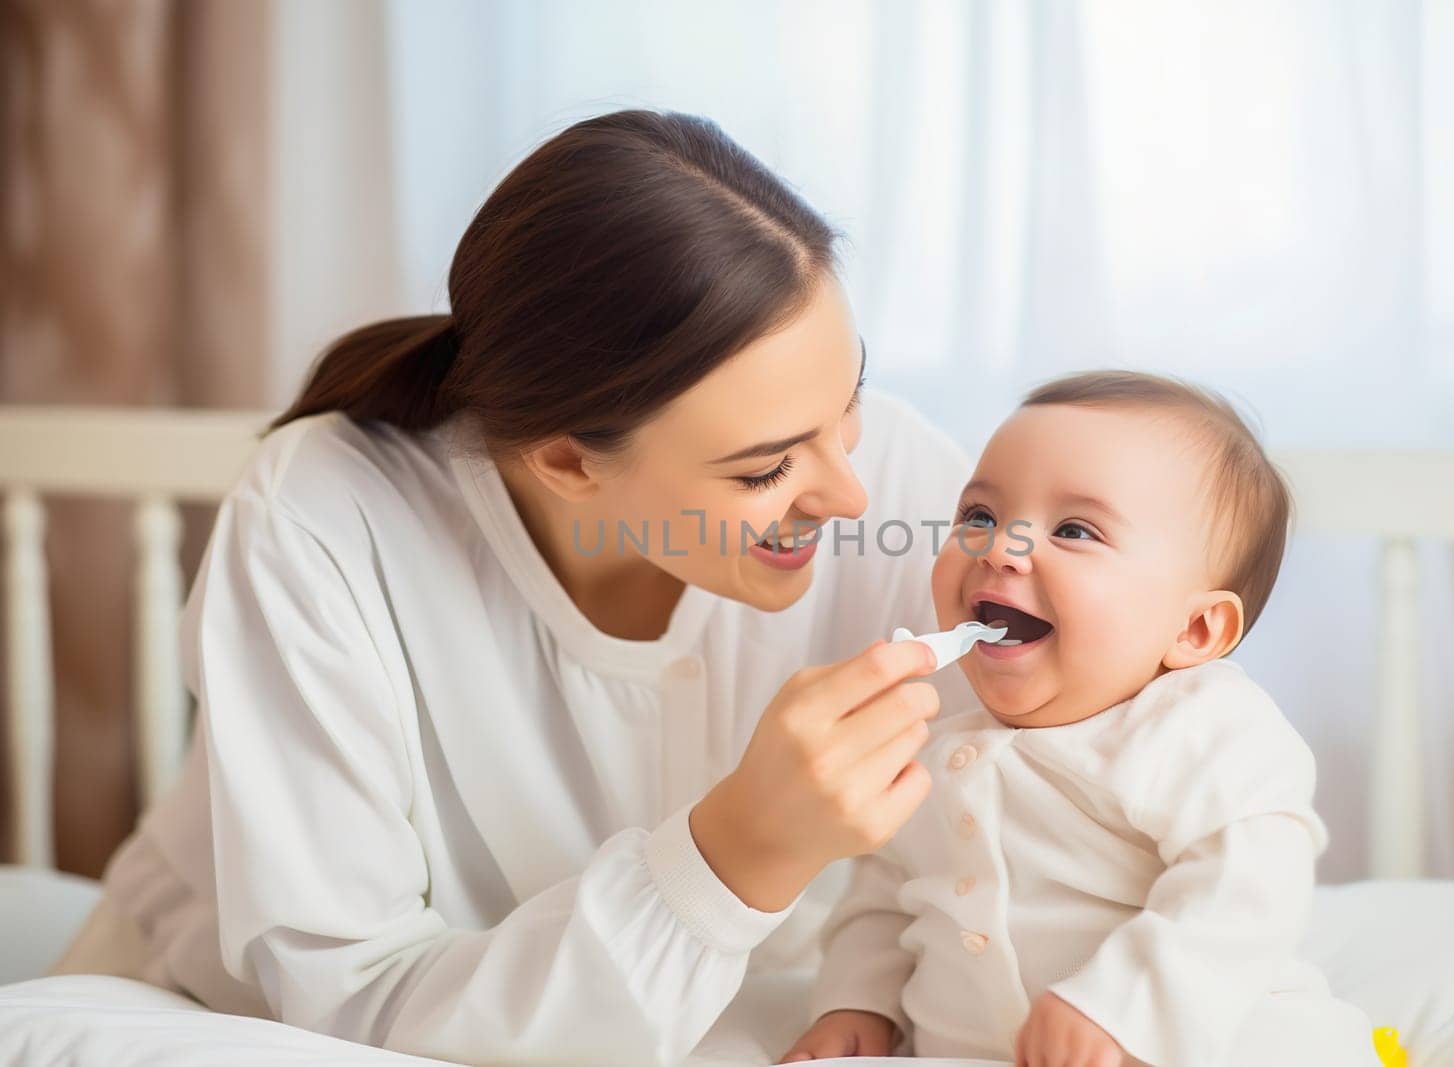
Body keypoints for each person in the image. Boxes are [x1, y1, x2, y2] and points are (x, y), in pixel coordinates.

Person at [50, 110, 974, 1066]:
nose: (851, 493)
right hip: (231, 1021)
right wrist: (734, 856)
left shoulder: (902, 477)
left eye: (851, 396)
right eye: (762, 471)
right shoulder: (323, 520)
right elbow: (346, 1005)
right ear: (570, 460)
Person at [783, 371, 1379, 1067]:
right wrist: (858, 1003)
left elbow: (1252, 878)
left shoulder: (1198, 725)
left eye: (1074, 529)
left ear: (1194, 630)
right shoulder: (937, 745)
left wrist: (1126, 1006)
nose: (1000, 547)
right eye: (979, 515)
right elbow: (885, 900)